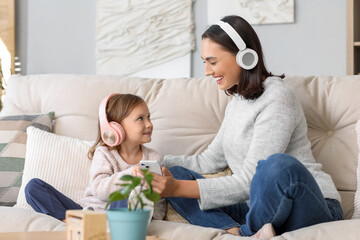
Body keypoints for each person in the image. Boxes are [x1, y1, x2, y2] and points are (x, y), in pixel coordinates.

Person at [133, 15, 343, 239]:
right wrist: (151, 161)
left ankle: (246, 233)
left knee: (277, 166)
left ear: (244, 57)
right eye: (205, 62)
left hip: (308, 205)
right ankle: (238, 232)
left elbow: (249, 181)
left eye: (212, 62)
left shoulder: (277, 96)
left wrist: (175, 188)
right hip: (258, 210)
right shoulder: (236, 103)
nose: (206, 71)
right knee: (176, 173)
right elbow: (208, 161)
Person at [25, 93, 166, 220]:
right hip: (86, 212)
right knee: (33, 187)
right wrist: (131, 176)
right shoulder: (104, 153)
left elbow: (160, 202)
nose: (149, 124)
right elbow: (99, 189)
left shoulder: (154, 158)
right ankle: (69, 222)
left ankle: (102, 227)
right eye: (140, 118)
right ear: (116, 127)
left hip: (123, 216)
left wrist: (152, 214)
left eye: (149, 117)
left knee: (125, 196)